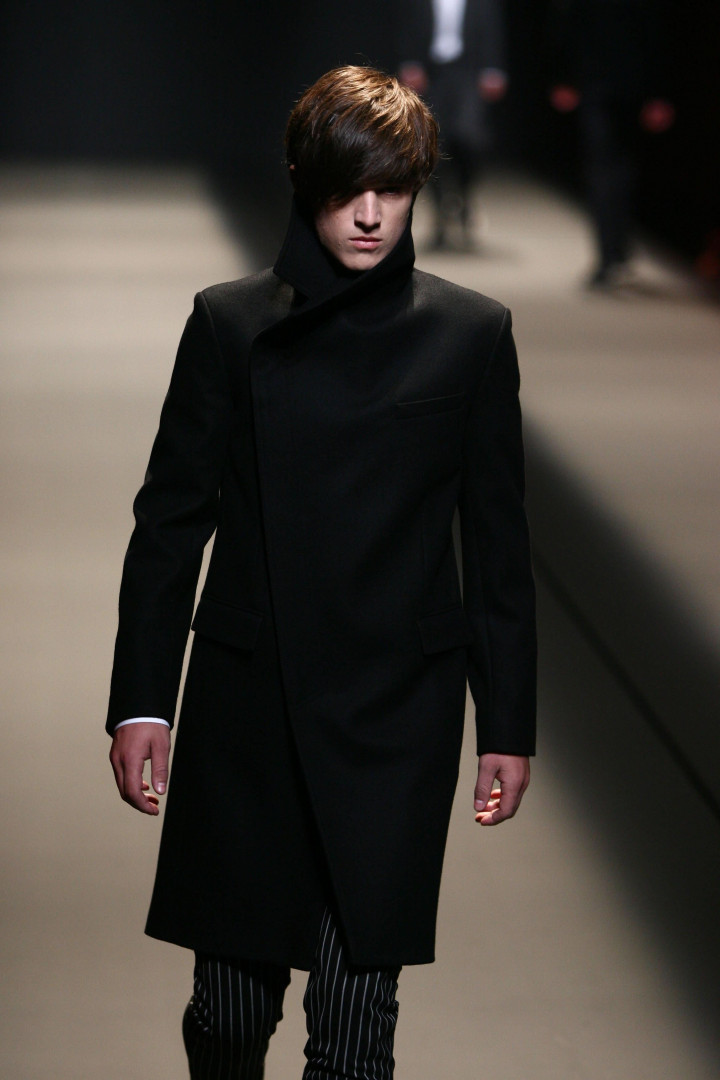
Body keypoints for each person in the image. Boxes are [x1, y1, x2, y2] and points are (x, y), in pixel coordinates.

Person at [107, 65, 536, 1079]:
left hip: (395, 717)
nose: (372, 216)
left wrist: (506, 725)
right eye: (350, 191)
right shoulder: (228, 324)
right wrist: (141, 703)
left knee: (353, 1033)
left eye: (393, 189)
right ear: (305, 182)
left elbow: (499, 545)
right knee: (227, 1014)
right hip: (249, 710)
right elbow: (170, 523)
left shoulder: (471, 335)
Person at [548, 0, 675, 287]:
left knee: (623, 171)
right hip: (597, 86)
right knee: (604, 170)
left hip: (632, 89)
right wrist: (564, 78)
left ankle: (618, 250)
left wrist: (659, 95)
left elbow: (657, 32)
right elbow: (570, 24)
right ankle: (608, 255)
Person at [396, 0, 509, 249]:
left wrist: (494, 68)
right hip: (431, 74)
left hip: (470, 72)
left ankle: (464, 196)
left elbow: (492, 30)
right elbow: (408, 27)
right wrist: (410, 63)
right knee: (431, 142)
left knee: (470, 138)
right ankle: (440, 212)